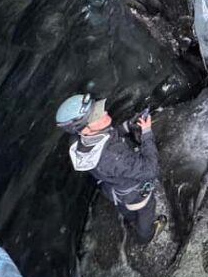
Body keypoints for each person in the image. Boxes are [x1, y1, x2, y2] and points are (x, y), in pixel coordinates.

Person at [56, 93, 166, 243]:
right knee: (146, 209)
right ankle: (146, 236)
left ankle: (131, 220)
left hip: (115, 191)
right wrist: (146, 133)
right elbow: (150, 170)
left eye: (97, 109)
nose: (104, 113)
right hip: (135, 194)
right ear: (85, 129)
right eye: (96, 116)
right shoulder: (112, 157)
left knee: (128, 211)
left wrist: (126, 126)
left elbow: (105, 137)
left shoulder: (78, 140)